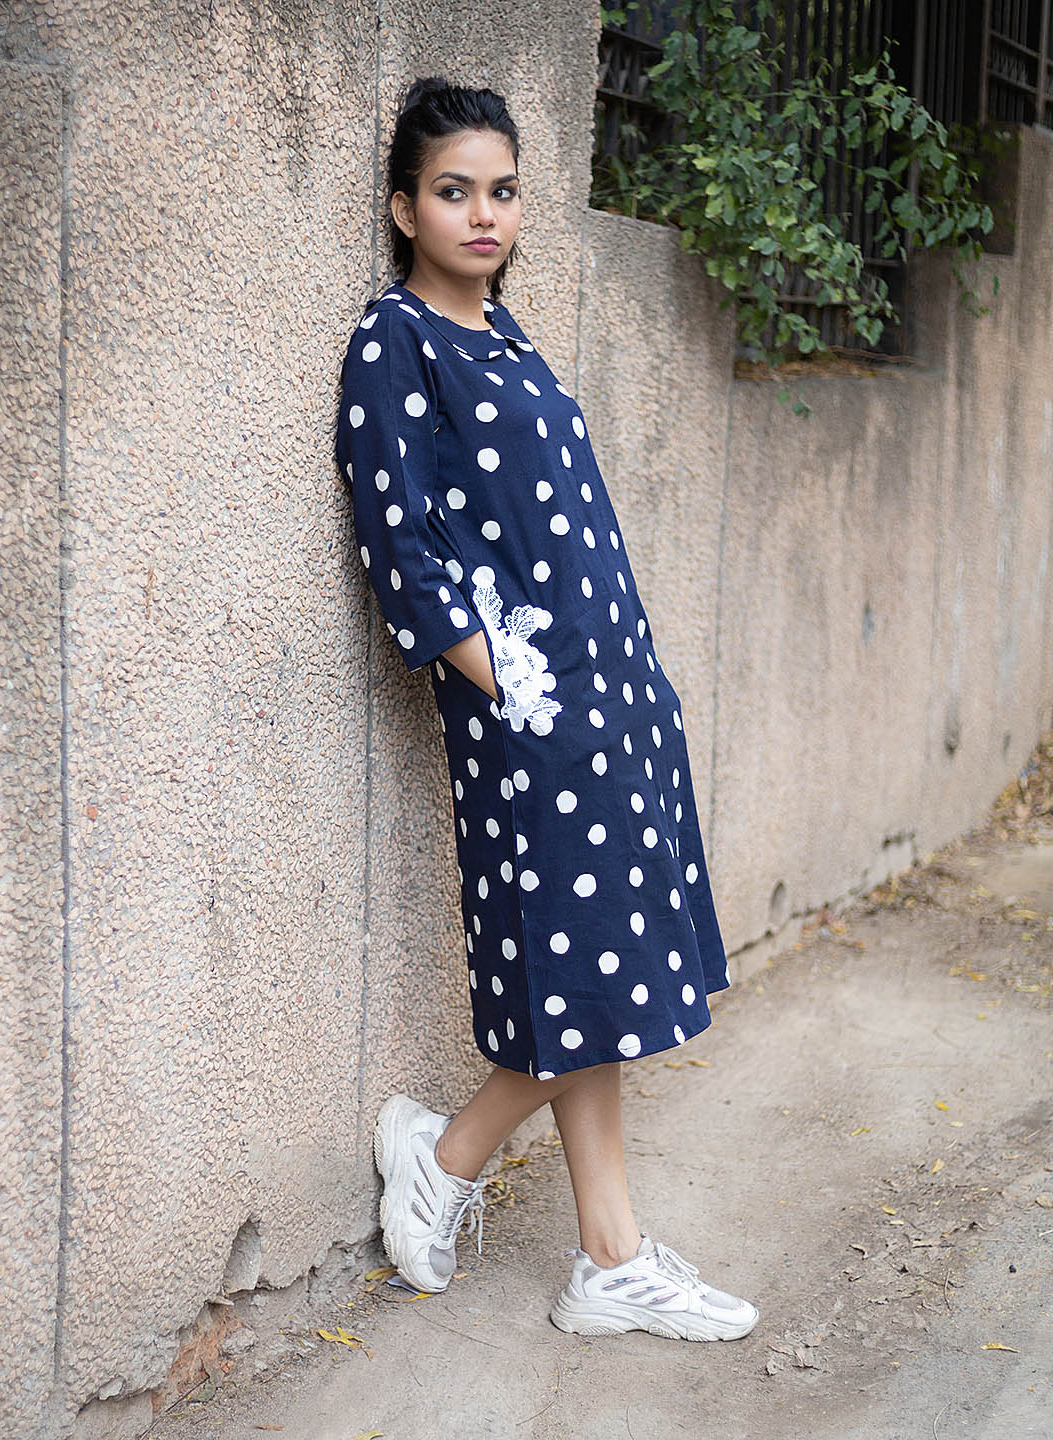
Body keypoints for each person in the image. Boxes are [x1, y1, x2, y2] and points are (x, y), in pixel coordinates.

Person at [335, 76, 758, 1343]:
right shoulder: (392, 341)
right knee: (585, 969)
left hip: (610, 697)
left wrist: (633, 689)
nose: (482, 214)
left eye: (502, 192)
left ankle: (579, 1238)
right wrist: (509, 686)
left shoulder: (511, 338)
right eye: (453, 191)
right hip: (532, 713)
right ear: (404, 207)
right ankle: (483, 1177)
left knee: (599, 968)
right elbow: (398, 541)